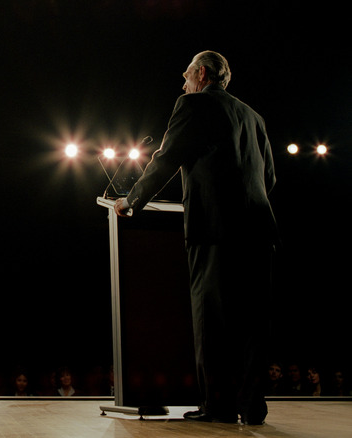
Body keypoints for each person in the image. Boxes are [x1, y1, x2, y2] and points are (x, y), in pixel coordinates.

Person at [114, 51, 278, 425]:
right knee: (254, 324)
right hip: (259, 229)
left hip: (216, 230)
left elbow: (167, 157)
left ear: (201, 74)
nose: (184, 82)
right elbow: (268, 179)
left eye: (186, 75)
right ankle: (253, 408)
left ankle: (218, 407)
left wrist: (133, 200)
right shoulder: (253, 116)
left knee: (213, 322)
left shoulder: (193, 104)